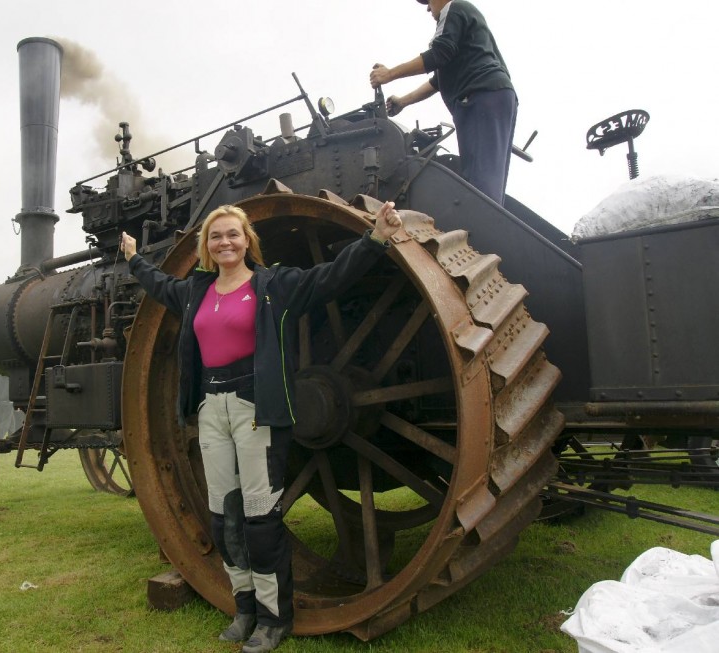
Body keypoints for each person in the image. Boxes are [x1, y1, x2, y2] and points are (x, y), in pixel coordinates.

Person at [121, 202, 402, 653]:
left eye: (233, 234)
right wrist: (134, 258)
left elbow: (328, 278)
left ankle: (274, 618)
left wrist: (376, 239)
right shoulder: (196, 291)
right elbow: (159, 285)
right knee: (224, 514)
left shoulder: (275, 286)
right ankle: (245, 607)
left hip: (258, 408)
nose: (225, 242)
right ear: (206, 247)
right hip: (213, 408)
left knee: (260, 517)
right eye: (216, 237)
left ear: (247, 240)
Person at [369, 0, 517, 205]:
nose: (429, 8)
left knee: (481, 183)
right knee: (488, 178)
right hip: (493, 96)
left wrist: (390, 74)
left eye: (428, 2)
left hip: (479, 96)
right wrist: (403, 101)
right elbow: (437, 81)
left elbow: (438, 54)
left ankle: (479, 230)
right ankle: (486, 223)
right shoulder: (465, 21)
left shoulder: (453, 8)